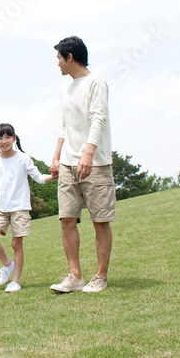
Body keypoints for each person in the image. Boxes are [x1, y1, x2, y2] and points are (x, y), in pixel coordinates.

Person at [48, 36, 116, 294]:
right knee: (66, 219)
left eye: (59, 59)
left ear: (70, 57)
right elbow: (64, 125)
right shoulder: (66, 89)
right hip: (67, 164)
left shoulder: (96, 83)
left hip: (95, 163)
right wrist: (57, 156)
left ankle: (100, 277)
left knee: (100, 220)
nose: (58, 65)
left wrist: (88, 154)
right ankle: (75, 276)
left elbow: (98, 118)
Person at [0, 123, 54, 293]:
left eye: (8, 137)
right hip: (1, 208)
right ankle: (8, 265)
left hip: (20, 208)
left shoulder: (23, 158)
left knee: (16, 244)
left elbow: (38, 178)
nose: (4, 141)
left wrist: (53, 176)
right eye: (0, 138)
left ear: (14, 139)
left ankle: (15, 281)